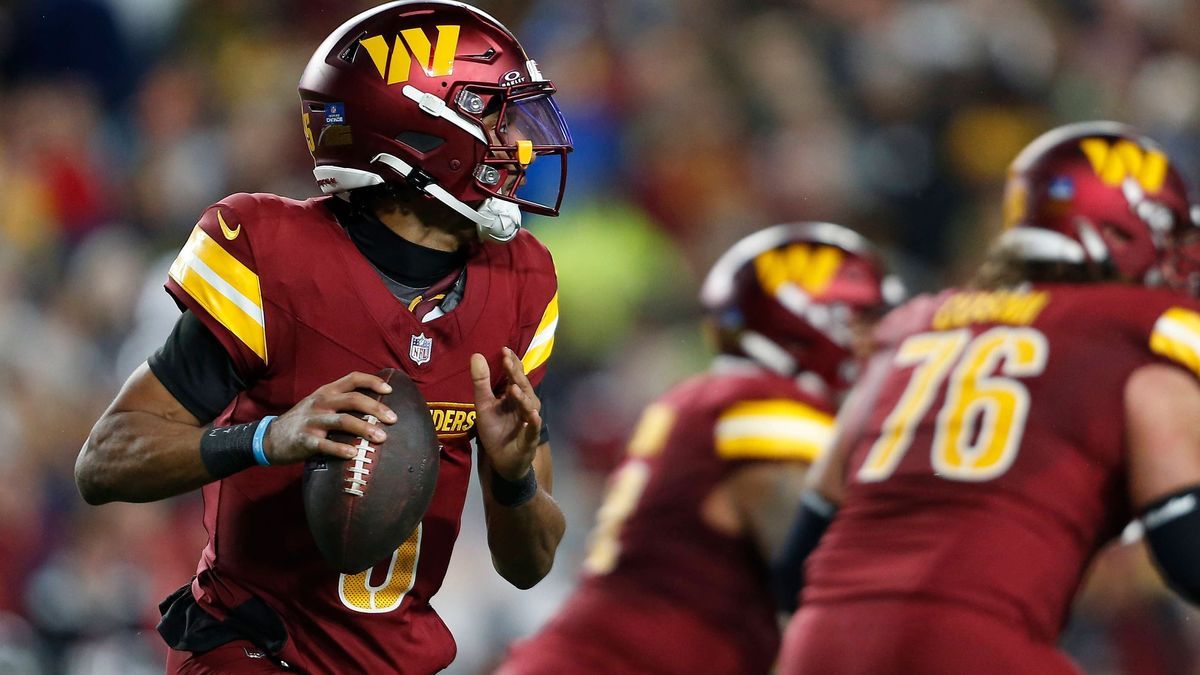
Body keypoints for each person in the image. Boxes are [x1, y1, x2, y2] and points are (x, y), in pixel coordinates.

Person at [73, 2, 573, 672]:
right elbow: (103, 461)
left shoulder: (521, 279)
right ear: (416, 130)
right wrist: (264, 438)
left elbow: (529, 564)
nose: (518, 140)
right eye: (492, 112)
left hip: (399, 658)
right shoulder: (273, 253)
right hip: (254, 648)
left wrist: (513, 482)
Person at [776, 121, 1200, 674]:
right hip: (970, 645)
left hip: (821, 646)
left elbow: (795, 566)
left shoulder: (908, 337)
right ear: (1122, 235)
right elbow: (1188, 554)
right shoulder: (1131, 343)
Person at [498, 223, 904, 674]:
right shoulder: (767, 407)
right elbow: (825, 583)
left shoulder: (709, 398)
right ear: (811, 319)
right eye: (864, 318)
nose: (879, 339)